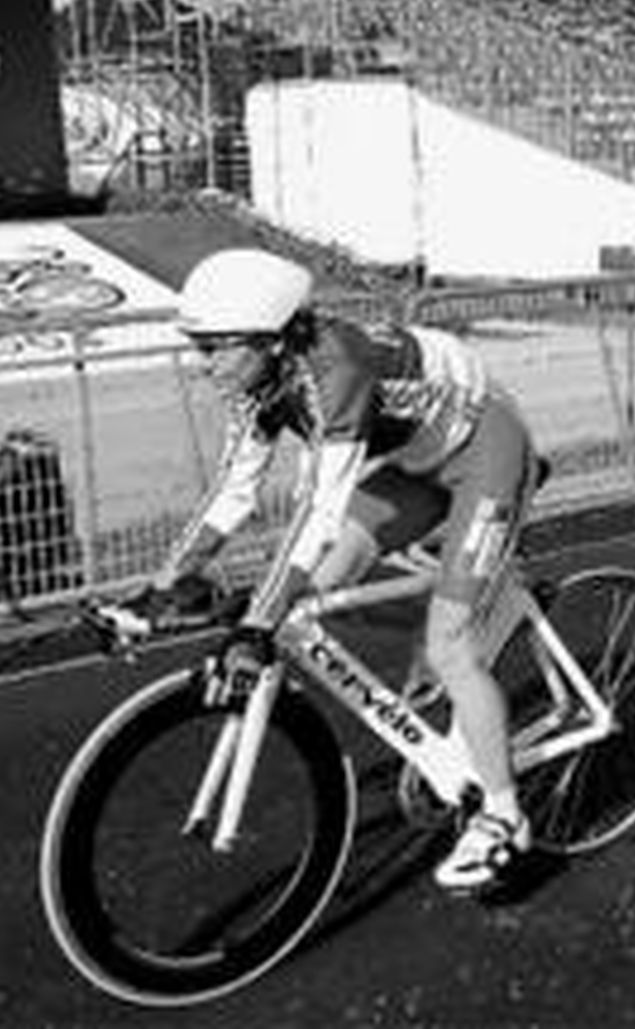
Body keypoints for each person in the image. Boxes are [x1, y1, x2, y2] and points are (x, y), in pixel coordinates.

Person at [126, 247, 543, 895]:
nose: (202, 363)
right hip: (417, 467)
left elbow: (318, 507)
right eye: (197, 346)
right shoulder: (260, 380)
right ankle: (428, 644)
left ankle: (505, 816)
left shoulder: (335, 368)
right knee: (313, 590)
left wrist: (256, 619)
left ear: (267, 338)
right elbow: (233, 492)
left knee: (451, 644)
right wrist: (156, 590)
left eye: (214, 347)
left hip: (487, 448)